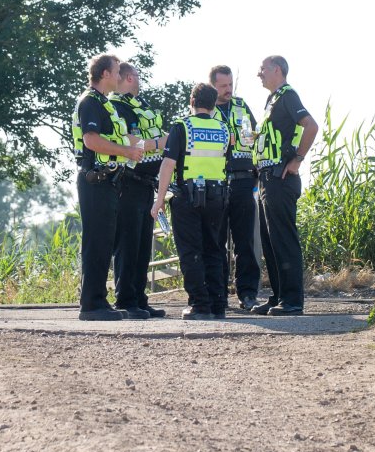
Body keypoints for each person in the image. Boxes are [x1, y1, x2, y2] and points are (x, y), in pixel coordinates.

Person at [71, 54, 144, 321]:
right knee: (96, 242)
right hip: (95, 179)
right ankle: (91, 304)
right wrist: (126, 150)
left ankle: (99, 299)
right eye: (115, 72)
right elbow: (91, 140)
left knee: (104, 242)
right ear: (104, 74)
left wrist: (154, 144)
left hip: (108, 181)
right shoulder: (90, 101)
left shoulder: (105, 104)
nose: (119, 75)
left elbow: (121, 137)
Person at [150, 83, 229, 320]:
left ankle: (199, 305)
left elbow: (168, 164)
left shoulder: (182, 127)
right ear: (214, 104)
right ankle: (218, 304)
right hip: (218, 197)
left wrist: (159, 199)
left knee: (191, 251)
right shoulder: (224, 129)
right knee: (214, 249)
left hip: (188, 196)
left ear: (192, 101)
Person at [251, 56, 319, 316]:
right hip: (267, 177)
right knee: (269, 241)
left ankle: (292, 301)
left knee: (283, 239)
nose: (259, 74)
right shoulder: (273, 99)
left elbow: (311, 126)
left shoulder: (288, 95)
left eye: (262, 69)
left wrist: (298, 160)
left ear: (277, 70)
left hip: (281, 177)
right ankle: (279, 296)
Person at [109, 63, 168, 319]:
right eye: (139, 77)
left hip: (146, 182)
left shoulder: (140, 105)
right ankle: (125, 300)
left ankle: (140, 299)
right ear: (130, 77)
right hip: (128, 181)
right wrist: (158, 144)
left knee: (143, 244)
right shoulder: (115, 106)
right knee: (128, 244)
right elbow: (124, 138)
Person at [210, 65, 261, 311]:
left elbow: (254, 138)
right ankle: (218, 294)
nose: (228, 90)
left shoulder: (241, 106)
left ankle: (248, 294)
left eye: (230, 85)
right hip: (216, 180)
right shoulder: (204, 110)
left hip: (243, 180)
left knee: (245, 242)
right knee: (216, 241)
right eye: (222, 86)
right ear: (212, 87)